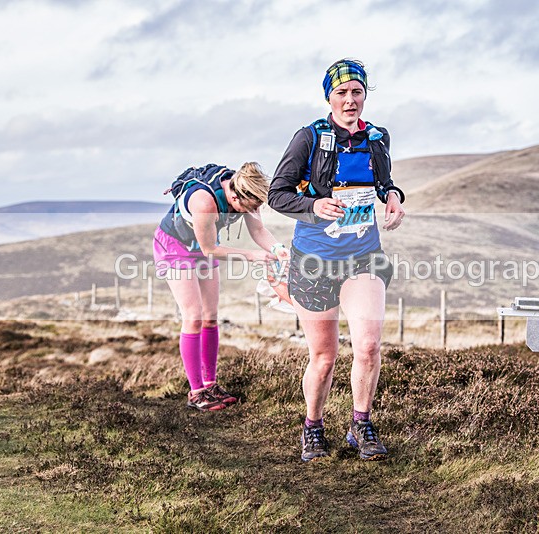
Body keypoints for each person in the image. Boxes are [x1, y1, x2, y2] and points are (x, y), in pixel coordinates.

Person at [269, 59, 405, 462]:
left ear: (365, 95)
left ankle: (360, 424)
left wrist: (394, 198)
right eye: (342, 93)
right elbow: (278, 194)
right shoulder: (307, 138)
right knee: (324, 357)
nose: (350, 100)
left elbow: (384, 183)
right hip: (314, 261)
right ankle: (313, 427)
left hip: (363, 256)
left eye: (357, 92)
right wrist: (315, 205)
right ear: (329, 96)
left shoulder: (377, 138)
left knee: (367, 346)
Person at [154, 162, 289, 411]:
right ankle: (197, 393)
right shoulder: (204, 203)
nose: (254, 210)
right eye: (251, 207)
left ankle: (211, 383)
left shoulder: (246, 193)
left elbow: (258, 230)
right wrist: (250, 256)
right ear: (235, 196)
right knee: (193, 317)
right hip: (176, 247)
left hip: (203, 246)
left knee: (211, 317)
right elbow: (210, 249)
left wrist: (278, 249)